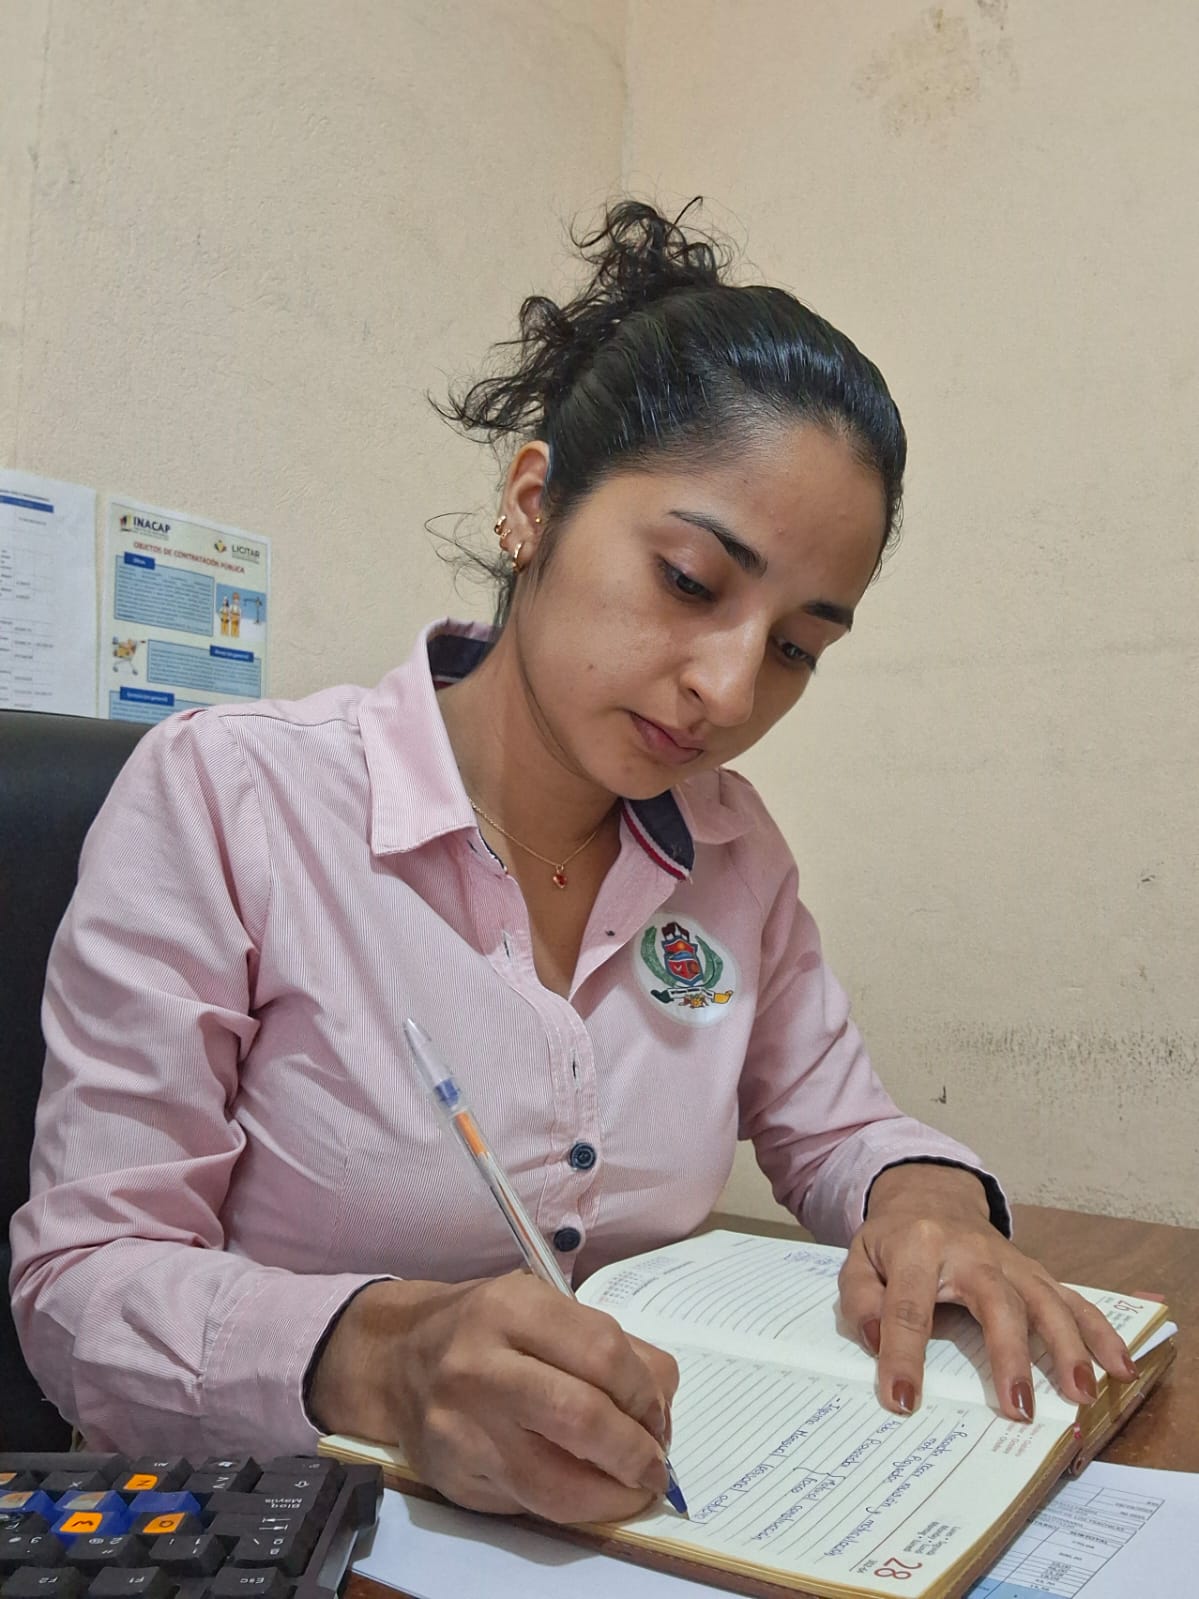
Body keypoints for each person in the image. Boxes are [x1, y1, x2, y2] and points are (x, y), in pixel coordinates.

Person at [10, 201, 1133, 1527]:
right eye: (691, 581)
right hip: (274, 1525)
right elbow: (82, 1283)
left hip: (623, 1523)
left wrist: (931, 1203)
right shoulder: (234, 799)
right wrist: (384, 1359)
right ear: (533, 505)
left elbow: (840, 1127)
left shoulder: (732, 853)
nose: (730, 689)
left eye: (797, 648)